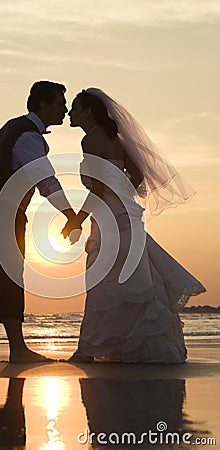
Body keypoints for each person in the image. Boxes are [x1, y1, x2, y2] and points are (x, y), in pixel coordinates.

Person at [62, 88, 206, 363]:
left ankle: (91, 348)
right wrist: (122, 190)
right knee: (131, 277)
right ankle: (129, 346)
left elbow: (100, 190)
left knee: (103, 279)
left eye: (76, 108)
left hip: (109, 218)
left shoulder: (90, 140)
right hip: (127, 213)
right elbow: (138, 176)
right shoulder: (117, 140)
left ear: (88, 111)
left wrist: (76, 220)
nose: (71, 112)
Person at [0, 81, 77, 363]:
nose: (65, 108)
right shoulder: (28, 137)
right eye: (60, 102)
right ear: (43, 105)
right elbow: (45, 180)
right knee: (9, 273)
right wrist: (70, 214)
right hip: (3, 209)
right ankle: (18, 350)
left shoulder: (12, 127)